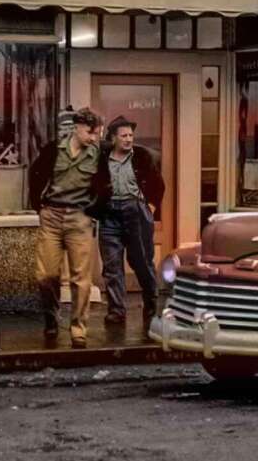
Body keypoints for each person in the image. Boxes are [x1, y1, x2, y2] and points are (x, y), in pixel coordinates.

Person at [28, 107, 103, 348]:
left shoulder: (98, 155)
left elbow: (105, 186)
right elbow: (35, 174)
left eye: (97, 133)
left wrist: (92, 212)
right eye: (90, 132)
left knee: (81, 279)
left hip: (79, 218)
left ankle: (78, 329)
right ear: (77, 127)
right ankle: (51, 318)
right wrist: (38, 207)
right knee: (45, 275)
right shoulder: (53, 150)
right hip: (51, 216)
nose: (93, 137)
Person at [90, 115, 165, 332]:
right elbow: (91, 184)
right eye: (123, 135)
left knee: (142, 263)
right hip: (109, 215)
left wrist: (149, 208)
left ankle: (151, 307)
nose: (128, 139)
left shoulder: (142, 156)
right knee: (112, 266)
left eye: (131, 135)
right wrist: (95, 209)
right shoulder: (102, 158)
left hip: (135, 213)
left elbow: (158, 185)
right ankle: (116, 311)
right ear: (113, 138)